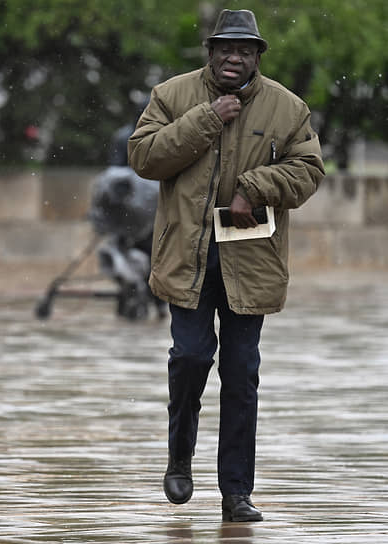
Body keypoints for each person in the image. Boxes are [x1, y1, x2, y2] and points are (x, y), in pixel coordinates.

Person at [128, 9, 324, 522]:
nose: (234, 57)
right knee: (190, 359)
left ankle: (237, 493)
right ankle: (179, 460)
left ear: (257, 56)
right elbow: (145, 157)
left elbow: (307, 171)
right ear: (210, 53)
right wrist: (209, 117)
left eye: (245, 50)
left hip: (251, 259)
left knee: (241, 374)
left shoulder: (288, 107)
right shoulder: (171, 97)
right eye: (225, 49)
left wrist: (254, 187)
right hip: (186, 255)